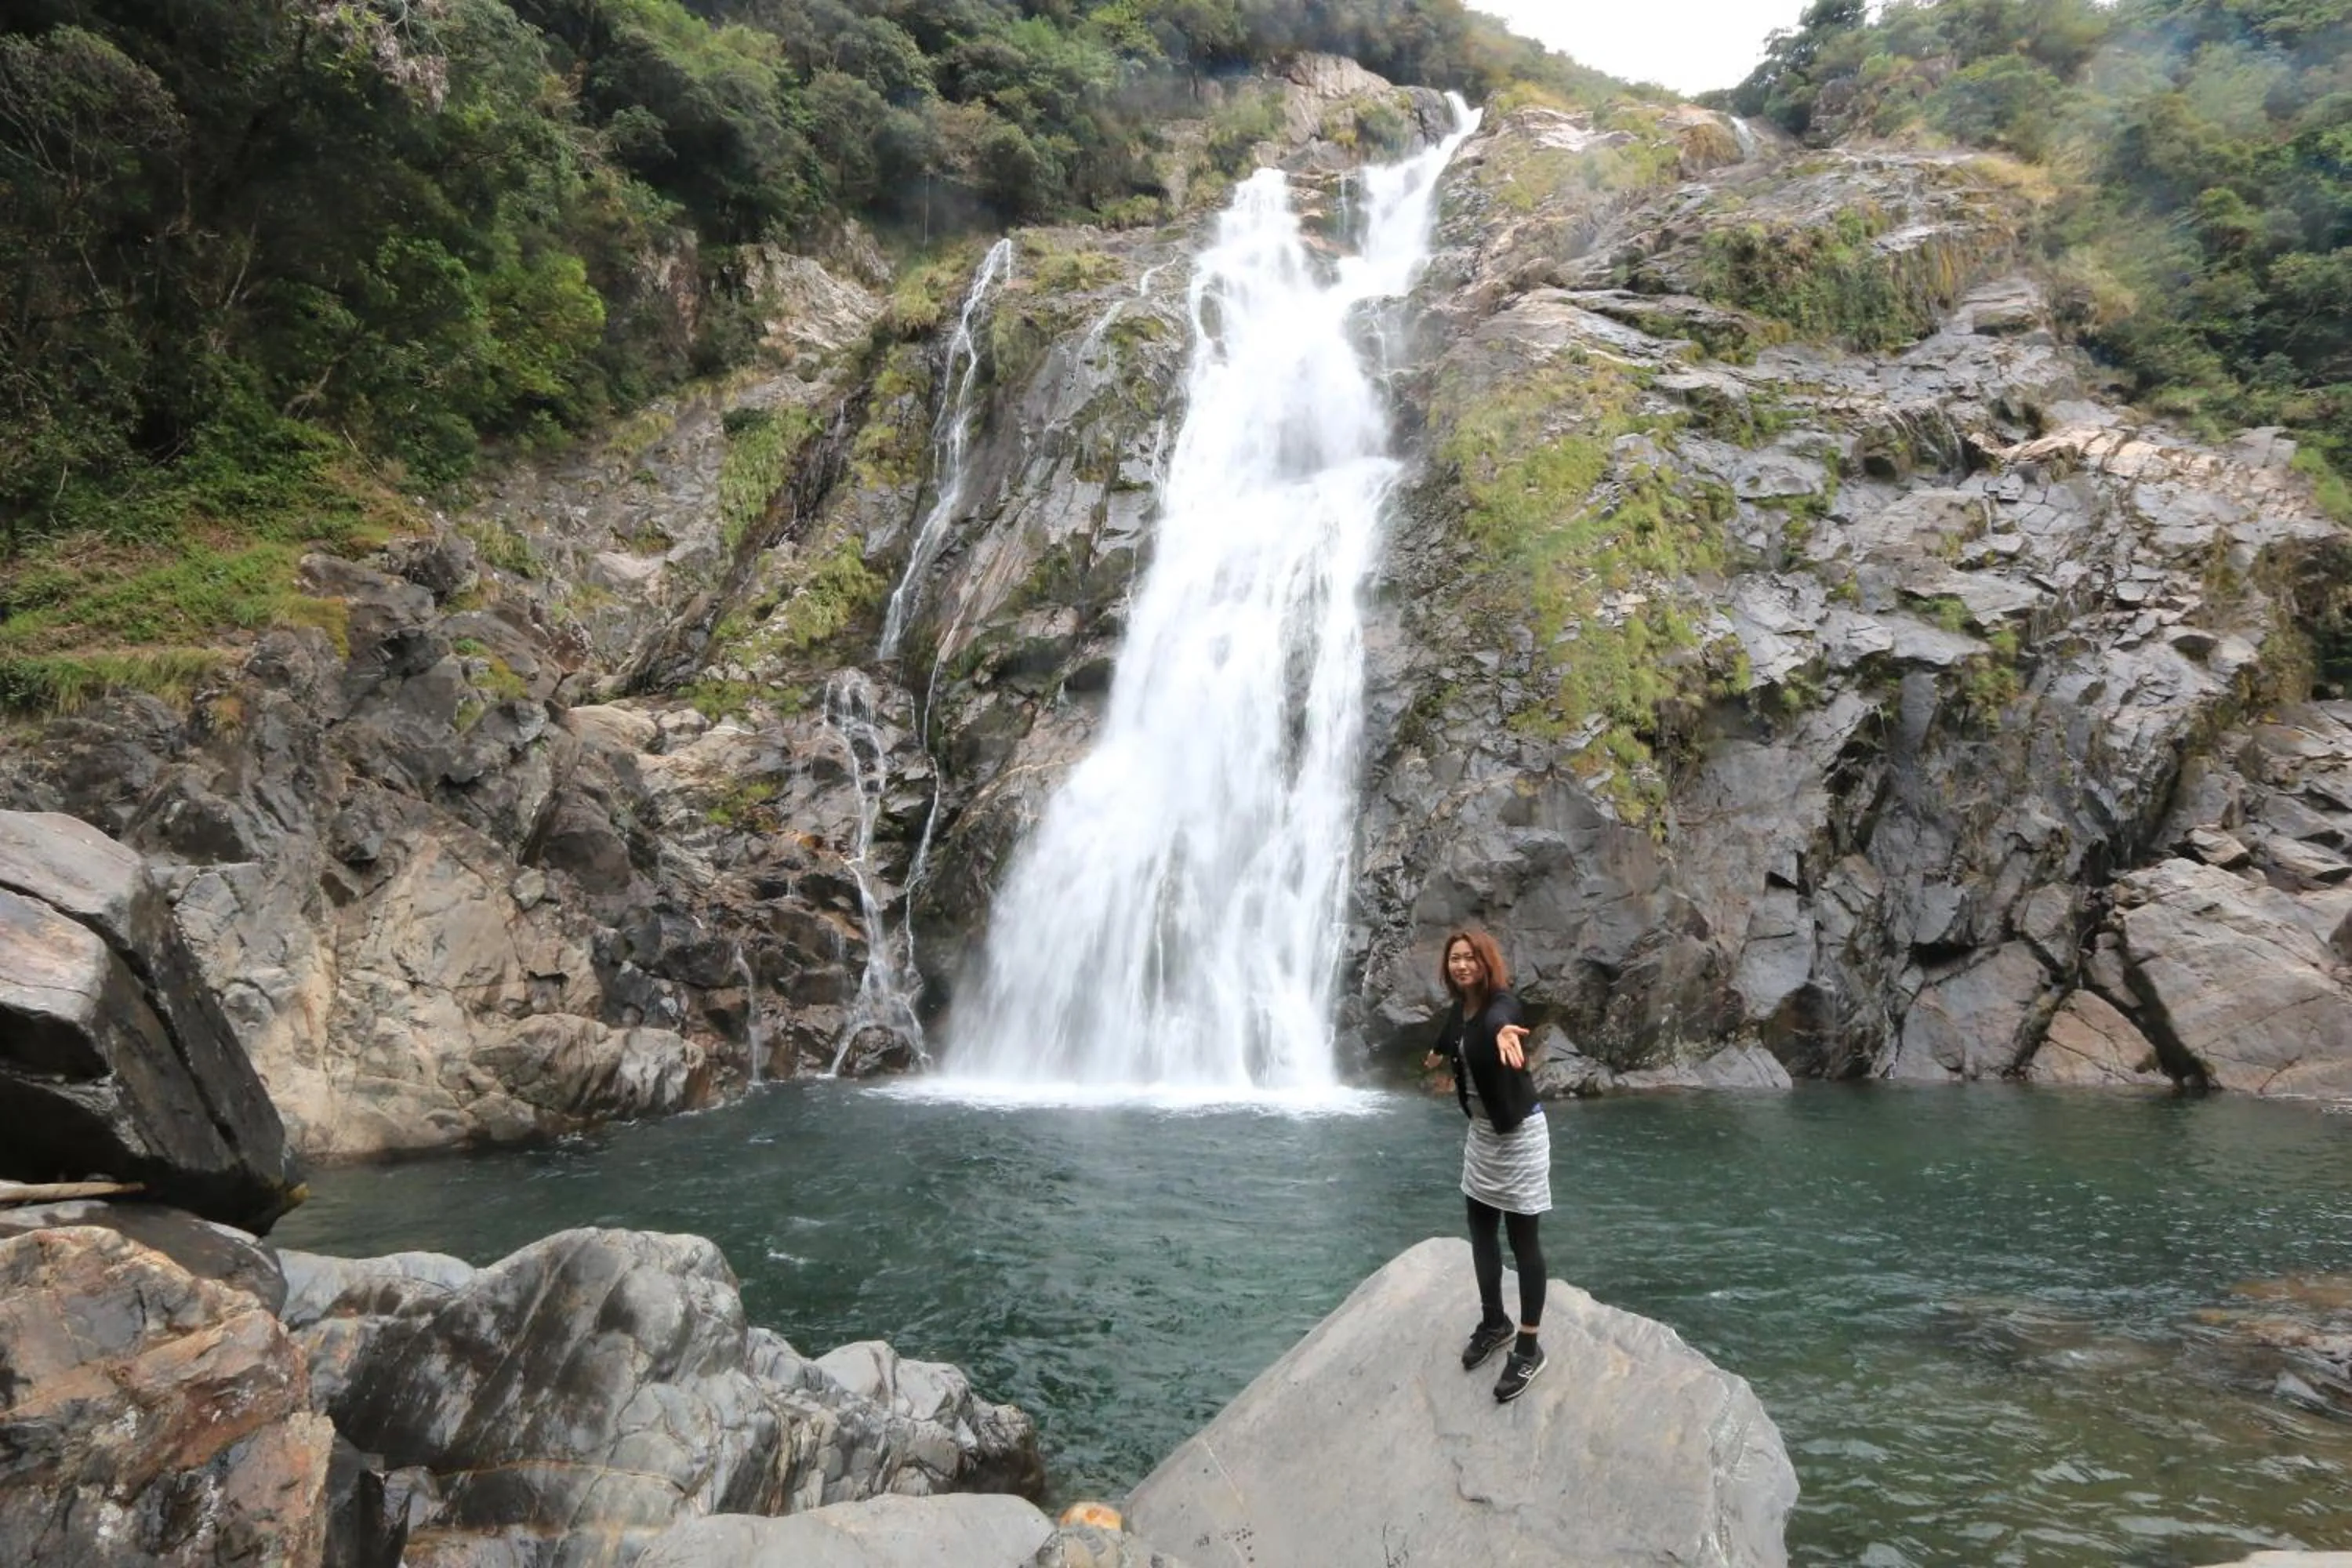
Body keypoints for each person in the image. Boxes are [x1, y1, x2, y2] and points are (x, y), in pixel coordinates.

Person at [1421, 927, 1550, 1403]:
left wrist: (1503, 1035)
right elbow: (1452, 1032)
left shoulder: (1500, 1006)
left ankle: (1530, 1346)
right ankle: (1494, 1321)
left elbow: (1502, 1019)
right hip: (1482, 1137)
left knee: (1523, 1241)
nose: (1462, 965)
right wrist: (1436, 1054)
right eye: (1455, 958)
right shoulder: (1460, 1010)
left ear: (1485, 961)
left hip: (1518, 1137)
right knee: (1480, 1234)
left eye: (1470, 957)